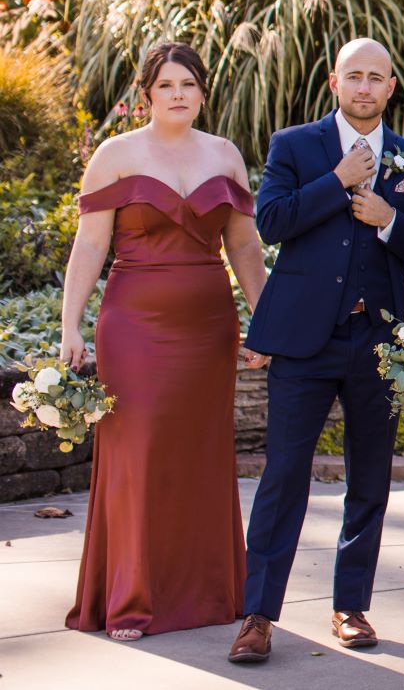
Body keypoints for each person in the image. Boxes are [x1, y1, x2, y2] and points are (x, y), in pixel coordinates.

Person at [229, 38, 404, 664]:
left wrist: (388, 219)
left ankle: (351, 607)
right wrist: (337, 181)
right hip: (304, 341)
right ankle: (259, 614)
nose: (365, 87)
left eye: (377, 78)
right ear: (334, 82)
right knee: (283, 476)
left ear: (392, 87)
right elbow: (271, 222)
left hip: (379, 343)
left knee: (370, 478)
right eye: (355, 76)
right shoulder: (293, 146)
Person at [60, 42, 266, 641]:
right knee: (138, 454)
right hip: (134, 324)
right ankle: (132, 598)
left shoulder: (225, 156)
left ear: (203, 91)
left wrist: (268, 322)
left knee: (201, 454)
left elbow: (245, 248)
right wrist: (70, 325)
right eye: (166, 84)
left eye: (189, 84)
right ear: (146, 93)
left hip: (208, 326)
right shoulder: (115, 155)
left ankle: (206, 592)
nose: (178, 94)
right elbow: (91, 246)